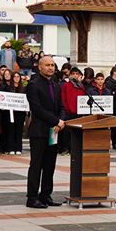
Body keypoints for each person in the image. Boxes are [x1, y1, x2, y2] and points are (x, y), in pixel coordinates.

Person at [24, 55, 66, 209]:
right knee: (36, 165)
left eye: (52, 65)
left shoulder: (55, 85)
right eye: (47, 65)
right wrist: (56, 121)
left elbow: (61, 107)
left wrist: (60, 122)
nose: (50, 68)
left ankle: (46, 194)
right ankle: (32, 197)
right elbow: (37, 109)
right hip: (39, 131)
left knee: (50, 165)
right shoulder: (33, 85)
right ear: (40, 67)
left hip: (53, 131)